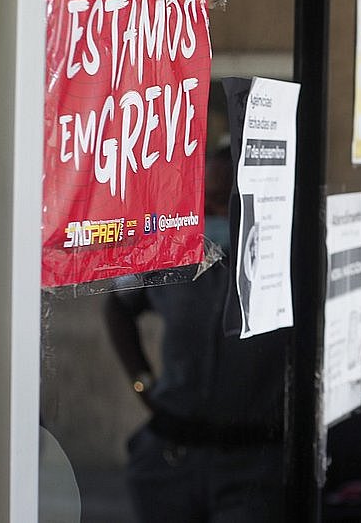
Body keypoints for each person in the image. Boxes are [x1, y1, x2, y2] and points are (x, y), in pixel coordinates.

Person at [104, 146, 287, 522]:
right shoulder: (173, 250)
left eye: (222, 202)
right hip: (172, 454)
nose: (210, 212)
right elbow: (118, 305)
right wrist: (143, 383)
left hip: (253, 463)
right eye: (205, 201)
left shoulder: (283, 259)